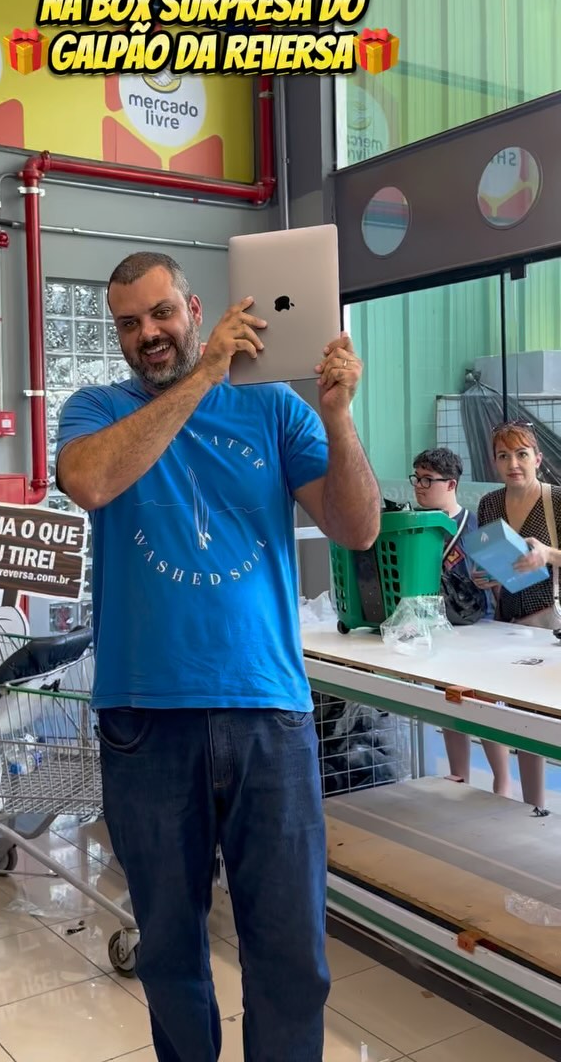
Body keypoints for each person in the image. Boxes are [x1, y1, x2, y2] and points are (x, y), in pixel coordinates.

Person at [56, 252, 380, 1062]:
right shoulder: (95, 409)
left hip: (268, 709)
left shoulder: (274, 409)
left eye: (161, 313)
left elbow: (358, 528)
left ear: (195, 309)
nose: (147, 333)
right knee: (169, 951)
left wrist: (338, 418)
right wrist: (204, 375)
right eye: (129, 323)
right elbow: (91, 482)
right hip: (144, 719)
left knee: (291, 955)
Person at [410, 448, 510, 795]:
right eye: (416, 478)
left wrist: (494, 582)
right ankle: (458, 777)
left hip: (479, 633)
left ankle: (502, 781)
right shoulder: (416, 527)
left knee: (485, 708)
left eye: (428, 480)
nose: (419, 486)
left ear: (451, 484)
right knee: (449, 705)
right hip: (438, 632)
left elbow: (508, 582)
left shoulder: (478, 527)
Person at [474, 422, 561, 816]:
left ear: (538, 459)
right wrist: (484, 576)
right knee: (517, 717)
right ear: (494, 463)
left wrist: (548, 554)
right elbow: (495, 561)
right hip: (506, 624)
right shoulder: (490, 504)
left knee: (539, 719)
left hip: (548, 626)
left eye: (522, 454)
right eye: (504, 456)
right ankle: (527, 804)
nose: (514, 464)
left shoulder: (556, 500)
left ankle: (536, 808)